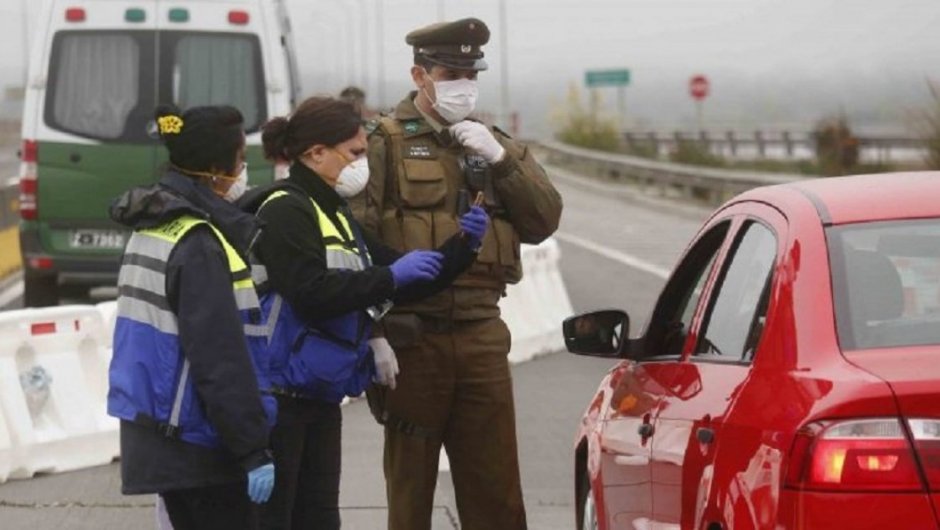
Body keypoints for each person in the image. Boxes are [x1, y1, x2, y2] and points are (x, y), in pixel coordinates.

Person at [349, 16, 564, 530]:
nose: (462, 86)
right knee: (411, 491)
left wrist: (503, 158)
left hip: (482, 335)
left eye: (470, 75)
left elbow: (544, 220)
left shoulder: (490, 145)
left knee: (497, 492)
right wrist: (372, 332)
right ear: (420, 76)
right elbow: (357, 241)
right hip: (411, 339)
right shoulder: (383, 142)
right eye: (450, 74)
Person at [242, 96, 488, 530]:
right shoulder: (286, 209)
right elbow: (310, 291)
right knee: (278, 519)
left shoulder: (333, 211)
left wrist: (461, 248)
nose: (362, 163)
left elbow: (401, 274)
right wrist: (390, 278)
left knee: (319, 520)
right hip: (280, 397)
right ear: (316, 153)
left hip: (319, 393)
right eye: (354, 153)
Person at [107, 104, 277, 530]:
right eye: (240, 160)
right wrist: (252, 450)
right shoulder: (199, 242)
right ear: (216, 169)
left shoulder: (153, 225)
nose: (242, 170)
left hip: (159, 430)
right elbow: (219, 358)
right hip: (198, 439)